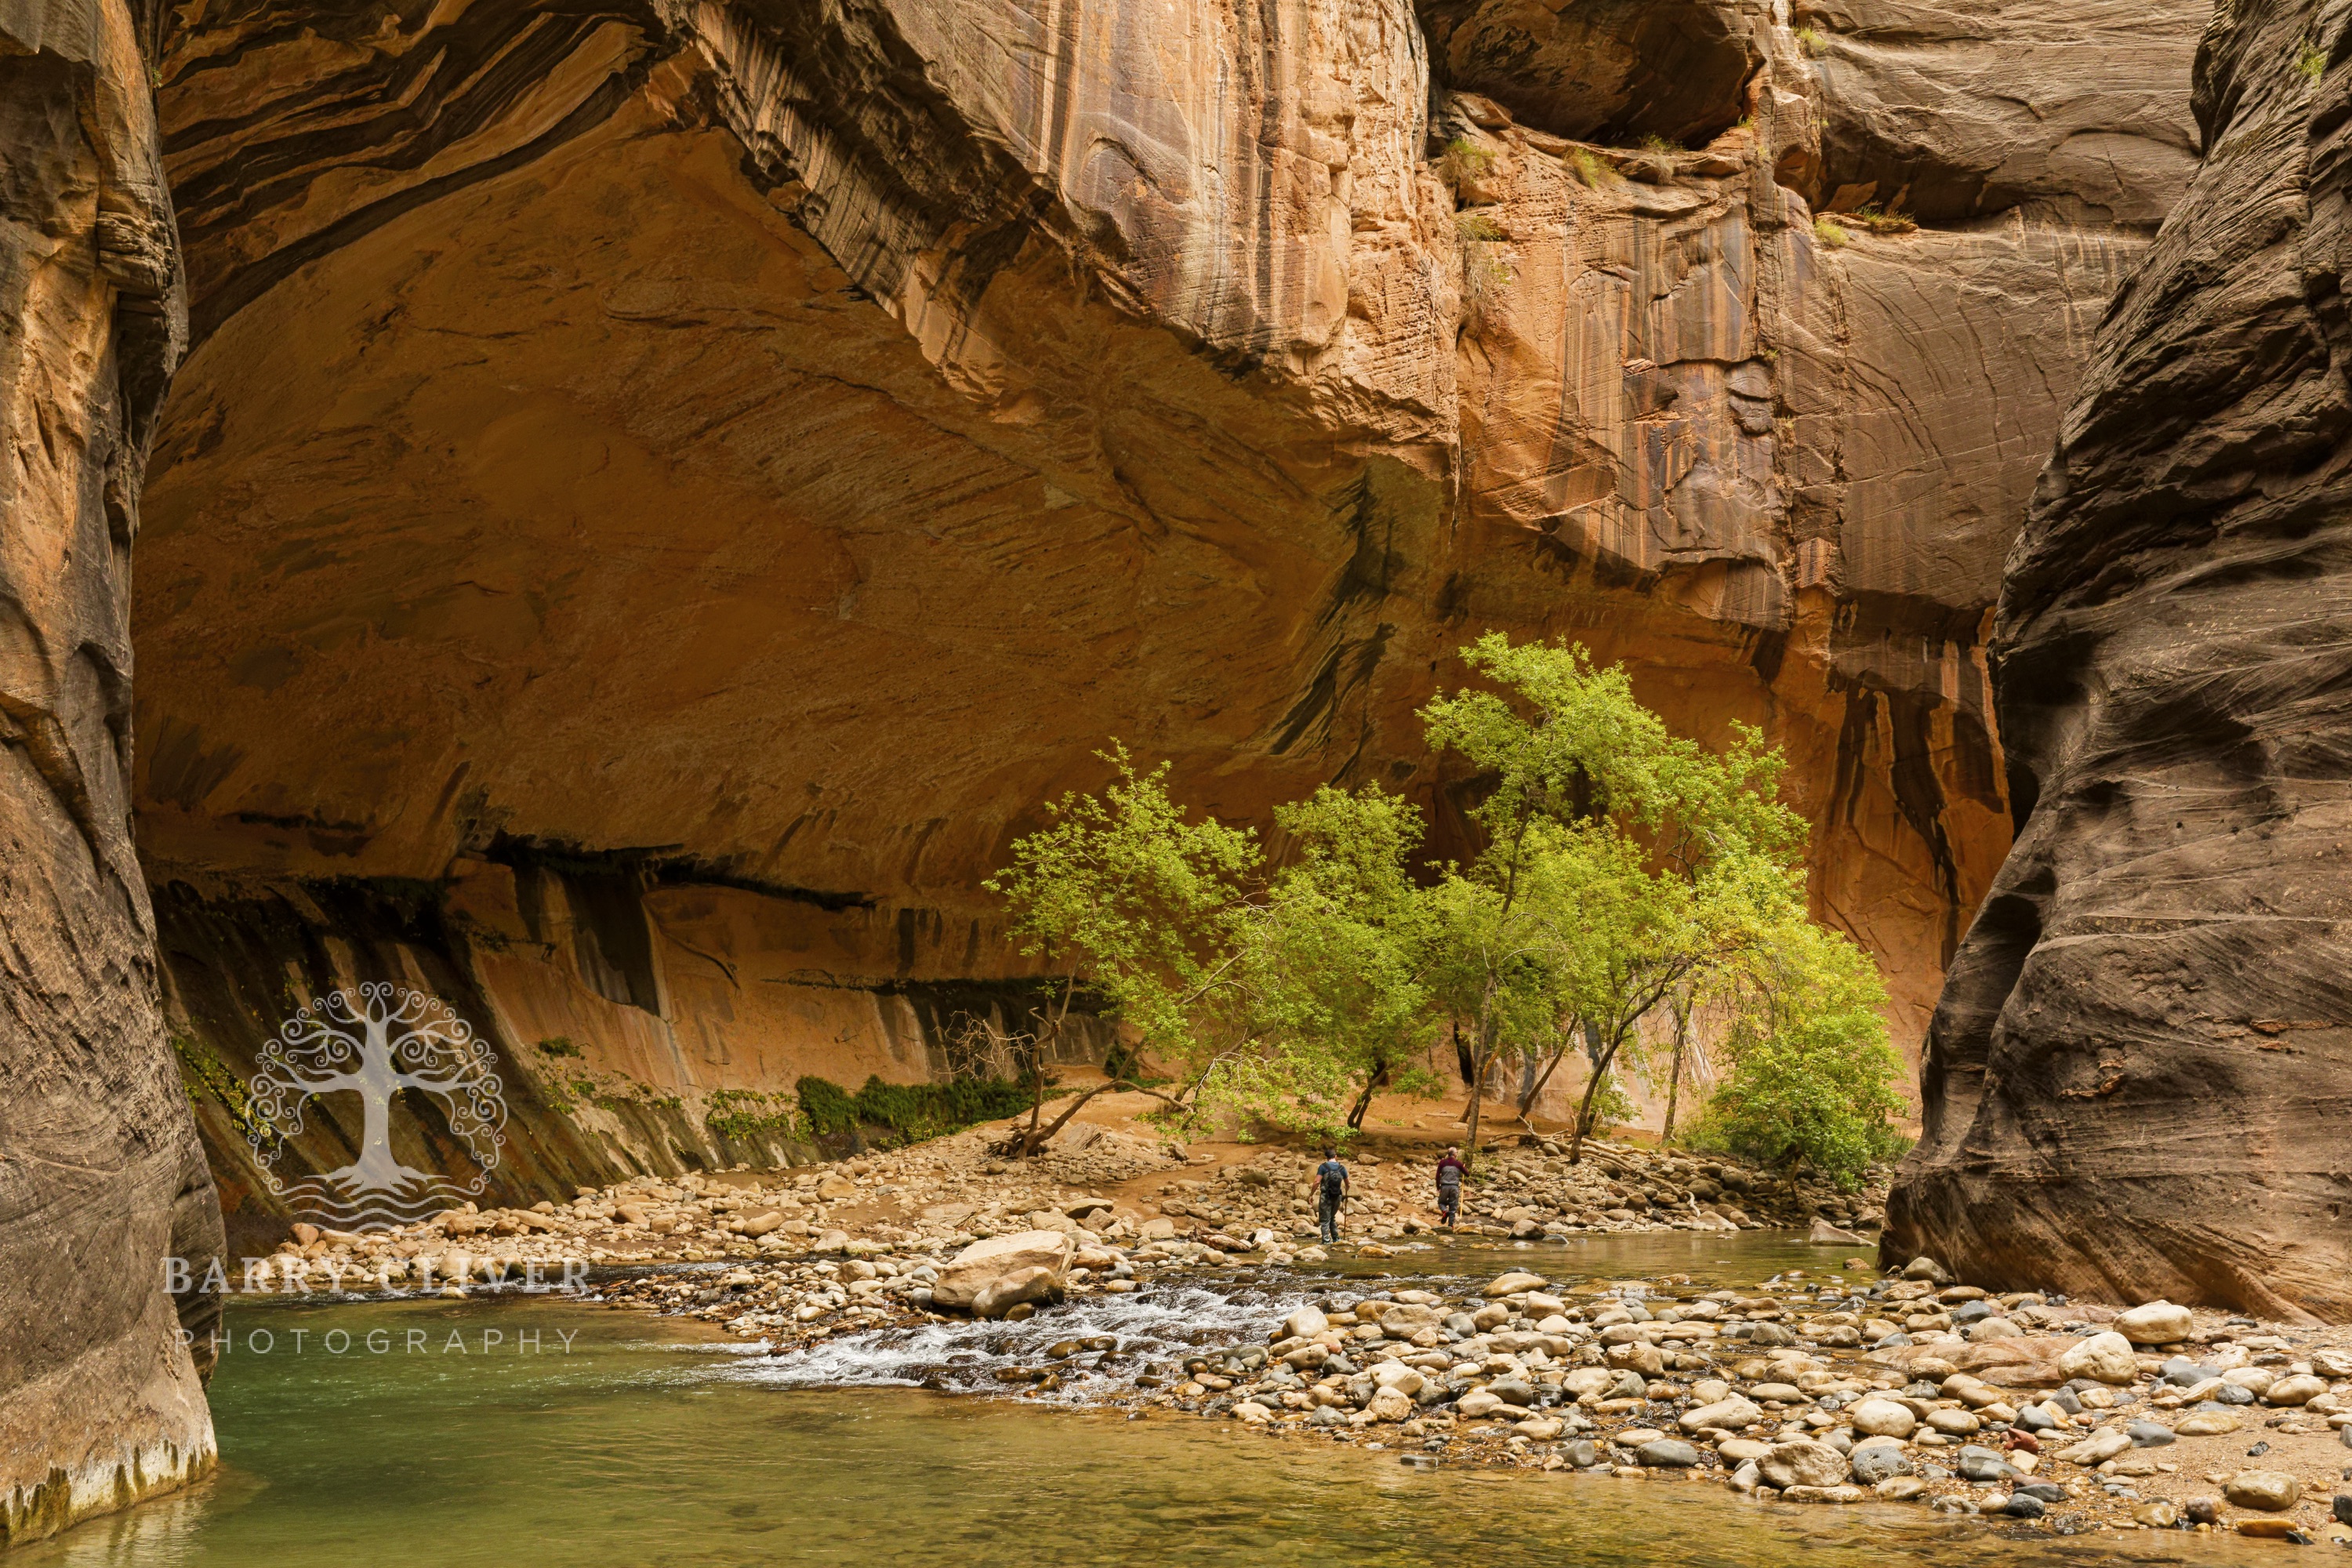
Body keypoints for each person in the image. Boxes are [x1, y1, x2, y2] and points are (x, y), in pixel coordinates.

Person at [1308, 1146, 1349, 1244]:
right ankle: (1336, 1238)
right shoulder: (1342, 1168)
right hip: (1337, 1196)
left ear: (1326, 1157)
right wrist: (1346, 1191)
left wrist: (1311, 1194)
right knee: (1332, 1217)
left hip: (1326, 1196)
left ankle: (1326, 1240)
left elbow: (1317, 1182)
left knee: (1325, 1220)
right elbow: (1348, 1184)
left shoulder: (1323, 1167)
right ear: (1336, 1156)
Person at [1435, 1145, 1467, 1229]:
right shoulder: (1458, 1164)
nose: (1457, 1154)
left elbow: (1438, 1175)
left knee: (1441, 1202)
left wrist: (1438, 1186)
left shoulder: (1442, 1162)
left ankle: (1445, 1211)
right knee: (1453, 1207)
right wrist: (1463, 1167)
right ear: (1454, 1154)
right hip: (1454, 1187)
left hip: (1444, 1186)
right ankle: (1451, 1226)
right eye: (1456, 1152)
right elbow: (1467, 1174)